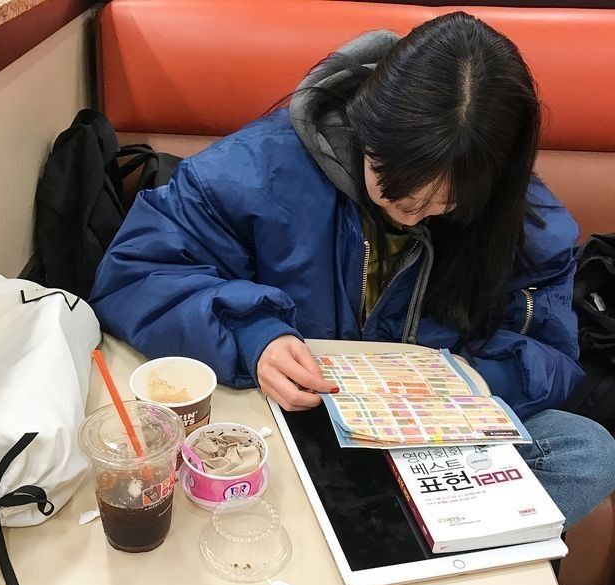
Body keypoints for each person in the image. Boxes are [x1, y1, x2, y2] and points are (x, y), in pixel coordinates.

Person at [90, 12, 615, 528]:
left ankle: (414, 545)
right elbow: (138, 271)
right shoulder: (256, 170)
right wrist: (255, 336)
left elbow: (553, 352)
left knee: (588, 451)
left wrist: (477, 379)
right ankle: (409, 542)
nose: (411, 213)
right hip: (294, 416)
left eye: (446, 202)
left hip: (439, 435)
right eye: (392, 185)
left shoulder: (525, 223)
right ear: (365, 130)